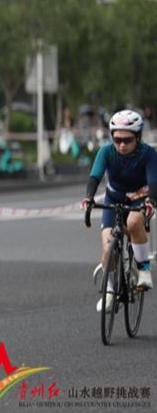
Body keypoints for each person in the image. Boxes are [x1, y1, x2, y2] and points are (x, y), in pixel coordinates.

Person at [82, 110, 156, 313]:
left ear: (138, 138)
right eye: (117, 139)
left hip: (139, 199)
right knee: (107, 248)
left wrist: (151, 202)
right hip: (113, 199)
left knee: (133, 223)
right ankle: (109, 292)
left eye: (128, 140)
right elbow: (95, 177)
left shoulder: (148, 154)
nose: (122, 144)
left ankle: (144, 270)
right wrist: (89, 197)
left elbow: (154, 183)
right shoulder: (106, 151)